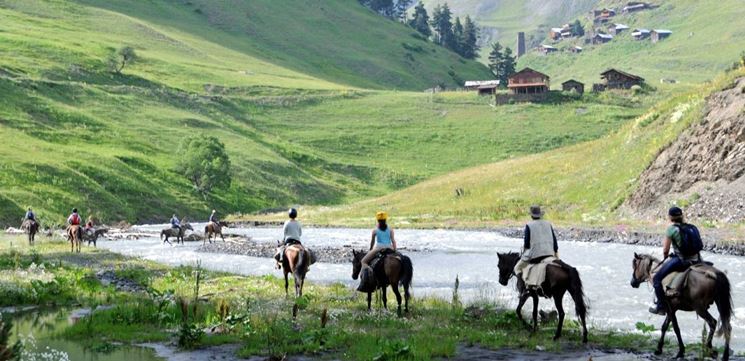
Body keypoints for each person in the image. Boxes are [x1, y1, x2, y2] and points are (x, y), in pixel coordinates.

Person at [649, 206, 703, 315]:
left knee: (656, 279)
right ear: (681, 216)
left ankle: (661, 307)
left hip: (682, 261)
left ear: (670, 217)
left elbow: (665, 250)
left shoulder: (671, 229)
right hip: (697, 259)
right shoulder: (692, 227)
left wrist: (665, 256)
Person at [514, 205, 558, 279]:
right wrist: (555, 253)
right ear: (540, 215)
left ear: (531, 216)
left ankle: (524, 288)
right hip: (550, 253)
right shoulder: (548, 224)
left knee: (517, 268)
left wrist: (524, 252)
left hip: (536, 256)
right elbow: (555, 242)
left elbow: (527, 244)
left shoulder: (529, 225)